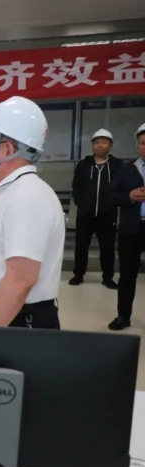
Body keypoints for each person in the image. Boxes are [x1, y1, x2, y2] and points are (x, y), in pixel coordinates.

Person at [0, 96, 65, 328]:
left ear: (6, 149)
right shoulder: (11, 191)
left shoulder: (26, 197)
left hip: (16, 324)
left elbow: (21, 279)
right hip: (5, 319)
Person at [69, 128, 122, 289]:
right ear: (93, 145)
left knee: (107, 248)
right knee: (81, 246)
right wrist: (81, 203)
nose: (100, 145)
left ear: (110, 145)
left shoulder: (118, 166)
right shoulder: (83, 165)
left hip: (107, 215)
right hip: (85, 214)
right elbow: (76, 187)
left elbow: (121, 187)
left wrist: (112, 203)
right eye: (97, 142)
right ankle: (78, 275)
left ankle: (108, 277)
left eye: (104, 142)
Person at [106, 123, 145, 331]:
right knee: (127, 276)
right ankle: (123, 316)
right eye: (143, 143)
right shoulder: (126, 169)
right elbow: (111, 196)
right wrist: (129, 196)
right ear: (137, 145)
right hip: (131, 230)